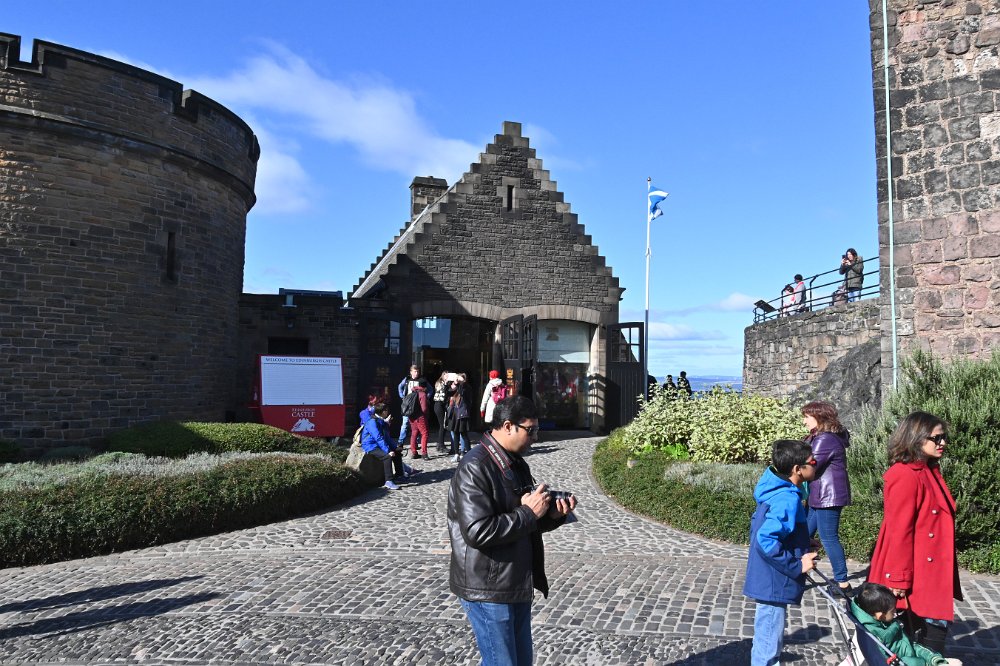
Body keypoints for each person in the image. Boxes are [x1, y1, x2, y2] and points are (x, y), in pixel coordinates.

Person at [448, 395, 577, 666]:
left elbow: (524, 522)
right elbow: (477, 531)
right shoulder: (475, 466)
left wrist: (552, 515)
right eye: (531, 430)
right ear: (508, 426)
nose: (536, 438)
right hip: (488, 587)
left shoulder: (514, 462)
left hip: (514, 580)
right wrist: (529, 512)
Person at [867, 412, 962, 656]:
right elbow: (899, 531)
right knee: (925, 638)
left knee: (928, 636)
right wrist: (898, 578)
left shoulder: (927, 470)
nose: (943, 443)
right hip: (916, 571)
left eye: (944, 437)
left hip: (929, 570)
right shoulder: (905, 474)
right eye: (936, 438)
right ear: (916, 438)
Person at [743, 439, 819, 666]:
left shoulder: (777, 490)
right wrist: (797, 565)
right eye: (812, 462)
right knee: (768, 646)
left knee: (766, 639)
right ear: (797, 469)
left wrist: (801, 542)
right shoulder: (787, 499)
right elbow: (765, 539)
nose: (816, 464)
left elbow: (767, 529)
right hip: (774, 581)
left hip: (769, 578)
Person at [801, 401, 853, 595]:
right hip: (819, 495)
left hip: (827, 496)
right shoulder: (821, 436)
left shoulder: (825, 439)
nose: (804, 421)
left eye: (807, 417)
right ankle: (800, 571)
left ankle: (843, 584)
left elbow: (809, 466)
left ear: (819, 417)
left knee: (829, 538)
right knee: (803, 534)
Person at [851, 583, 962, 665]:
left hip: (909, 652)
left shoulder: (879, 624)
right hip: (909, 660)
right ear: (880, 616)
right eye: (892, 611)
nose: (895, 613)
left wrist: (933, 659)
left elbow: (909, 644)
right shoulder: (877, 636)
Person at [360, 403, 405, 490]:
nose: (388, 412)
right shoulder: (372, 422)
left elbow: (387, 437)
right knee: (387, 457)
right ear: (382, 412)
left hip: (377, 444)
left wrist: (395, 447)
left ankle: (399, 476)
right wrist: (388, 451)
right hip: (370, 446)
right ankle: (388, 481)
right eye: (386, 410)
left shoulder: (381, 421)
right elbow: (378, 438)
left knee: (397, 452)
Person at [446, 373, 471, 462]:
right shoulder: (456, 387)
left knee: (464, 434)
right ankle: (456, 454)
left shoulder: (466, 387)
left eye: (461, 379)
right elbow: (448, 393)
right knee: (455, 433)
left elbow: (462, 393)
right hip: (455, 413)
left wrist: (460, 384)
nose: (459, 381)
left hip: (463, 413)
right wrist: (447, 383)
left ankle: (469, 453)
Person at [433, 371, 452, 454]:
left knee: (443, 425)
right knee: (442, 425)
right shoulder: (440, 383)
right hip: (439, 404)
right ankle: (441, 445)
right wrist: (446, 384)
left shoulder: (446, 384)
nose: (447, 377)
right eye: (445, 375)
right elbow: (443, 392)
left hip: (441, 405)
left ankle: (440, 444)